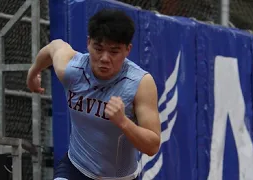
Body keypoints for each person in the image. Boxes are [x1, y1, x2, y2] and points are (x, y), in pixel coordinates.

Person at [27, 8, 161, 180]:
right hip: (76, 168)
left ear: (128, 50)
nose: (105, 58)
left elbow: (152, 146)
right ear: (88, 43)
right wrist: (33, 73)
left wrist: (123, 122)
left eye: (114, 52)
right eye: (98, 49)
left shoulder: (140, 83)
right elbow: (54, 47)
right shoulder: (73, 71)